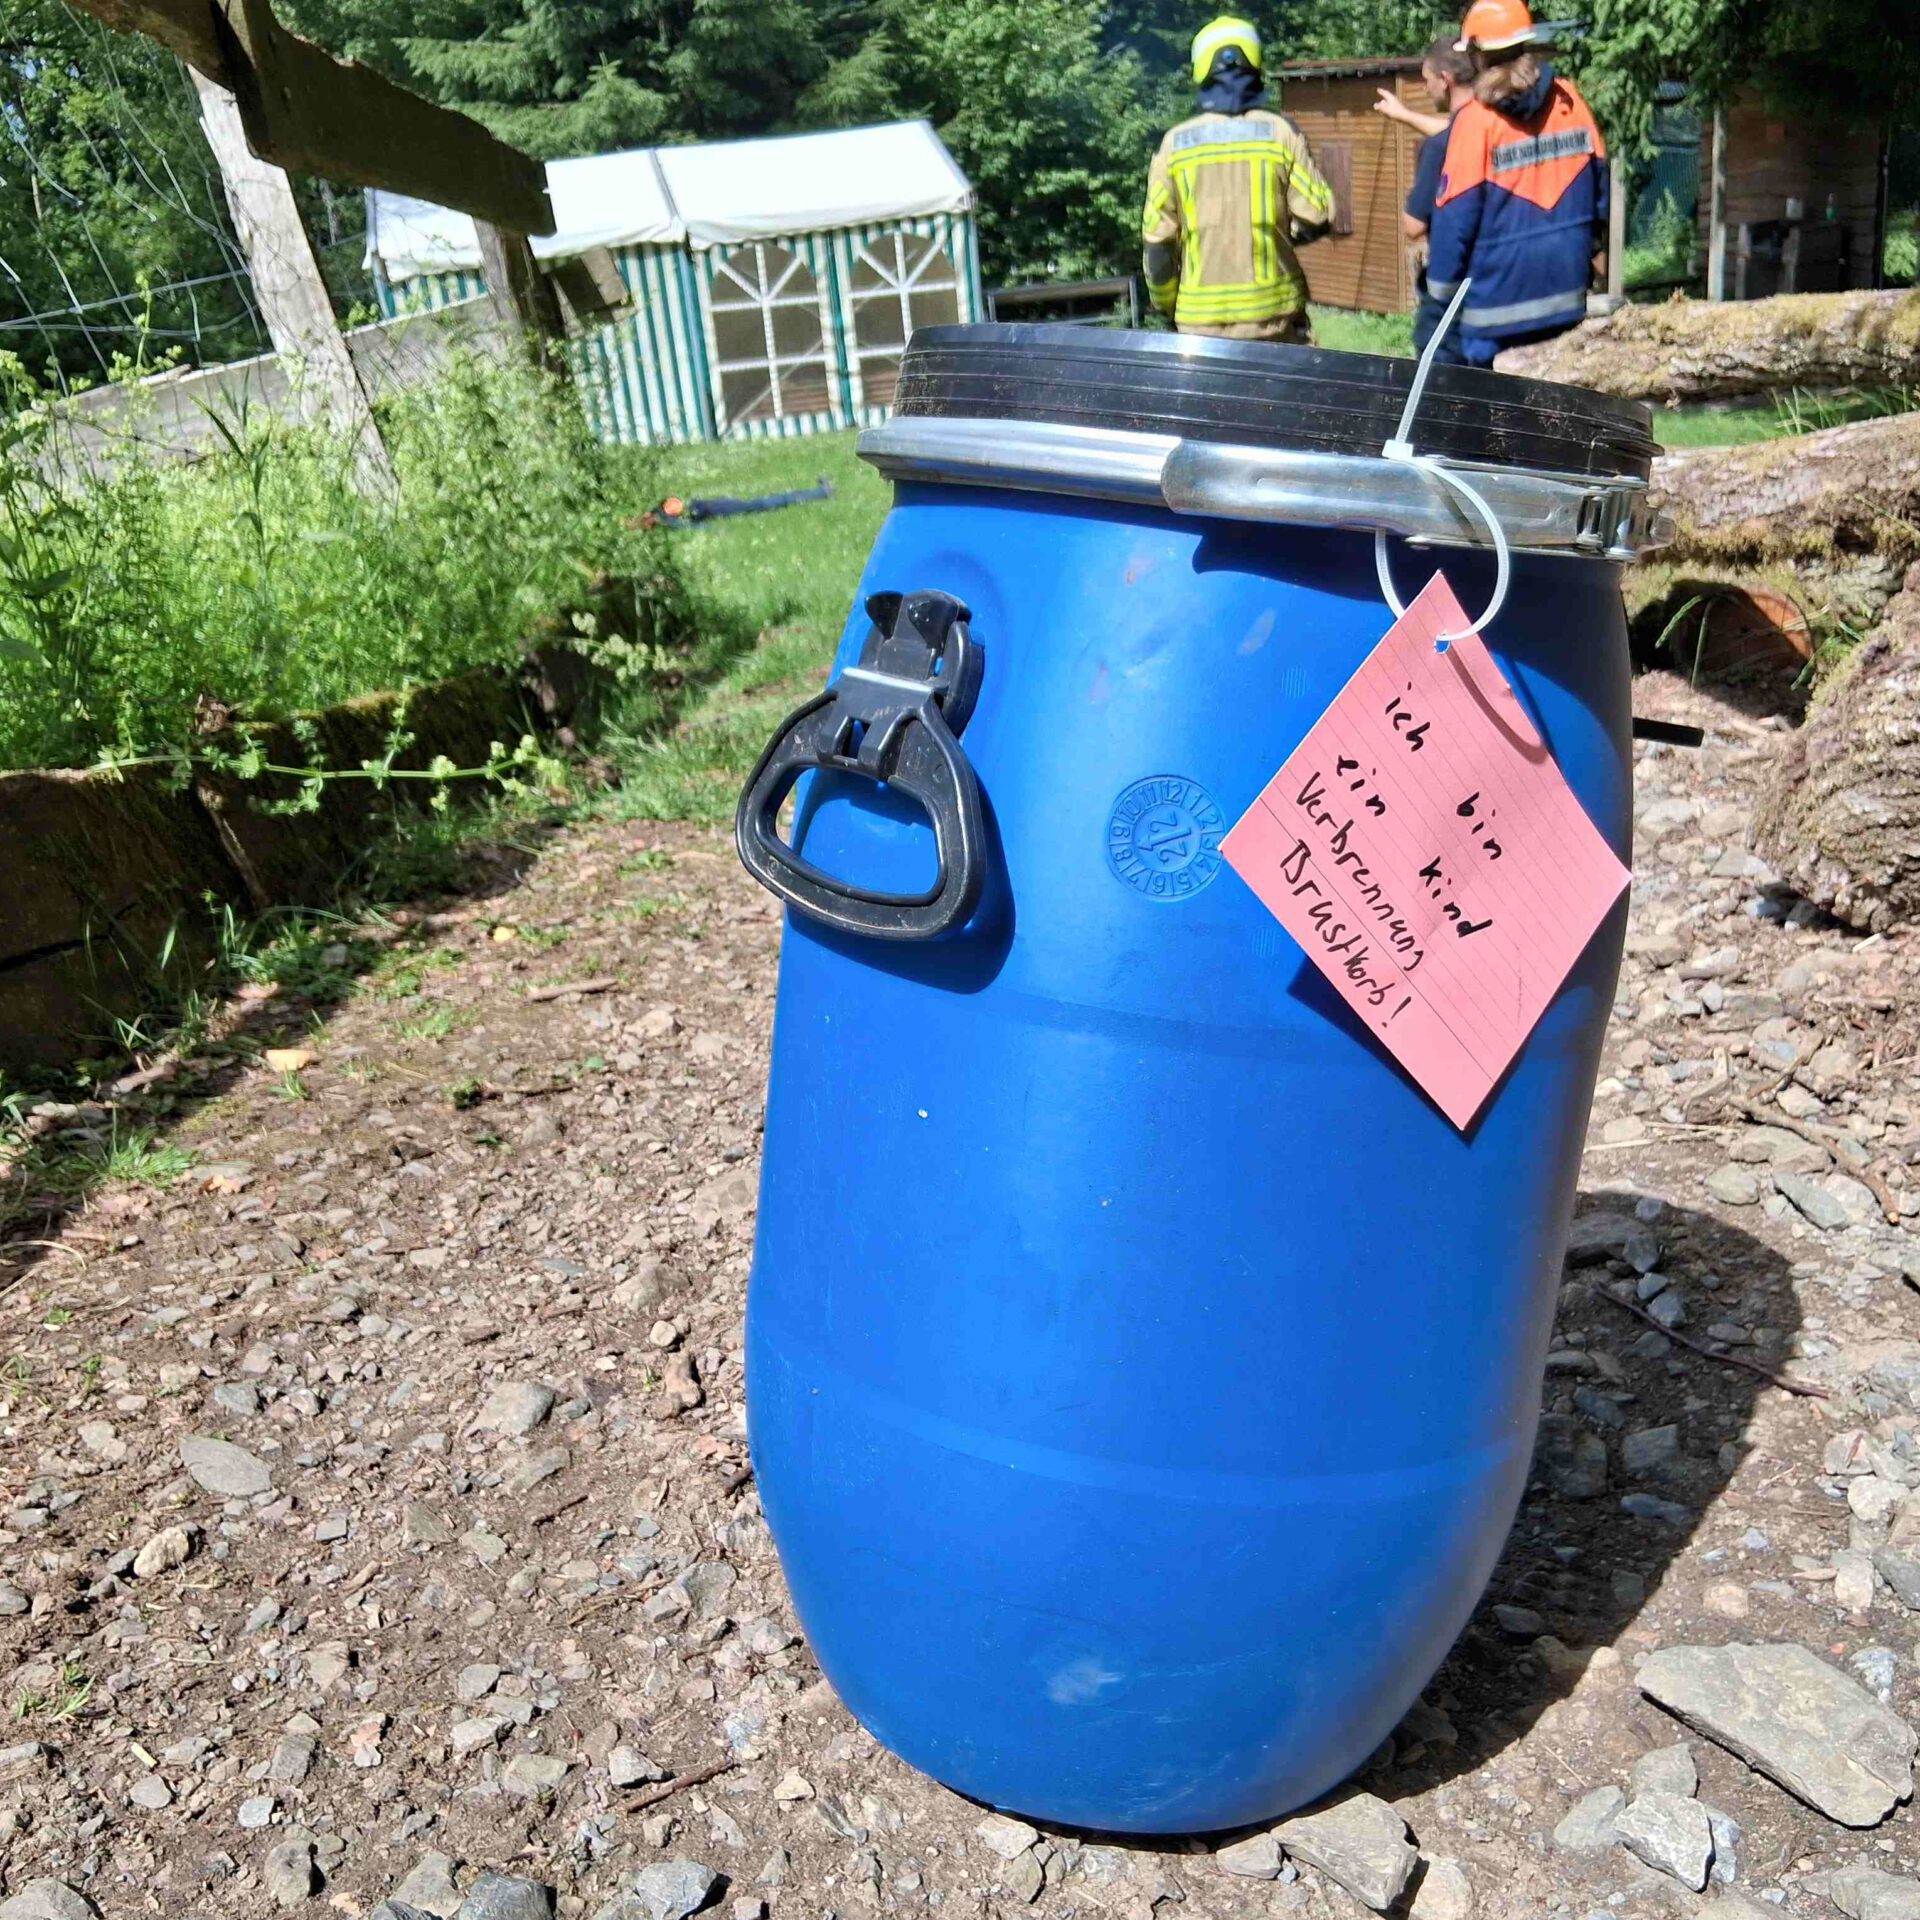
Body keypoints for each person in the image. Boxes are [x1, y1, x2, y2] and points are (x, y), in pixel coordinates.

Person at [1425, 0, 1607, 366]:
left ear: (1477, 55)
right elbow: (1601, 197)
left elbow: (1454, 222)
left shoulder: (1476, 121)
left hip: (1492, 317)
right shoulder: (1569, 101)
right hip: (1565, 301)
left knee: (1489, 401)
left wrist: (1438, 298)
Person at [1141, 16, 1336, 345]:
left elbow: (1158, 244)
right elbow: (1317, 215)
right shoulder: (1280, 134)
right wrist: (1277, 234)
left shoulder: (1174, 145)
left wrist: (1167, 304)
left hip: (1199, 328)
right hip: (1275, 323)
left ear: (1200, 68)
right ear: (1255, 63)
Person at [1374, 39, 1478, 360]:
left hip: (1454, 293)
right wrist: (1403, 115)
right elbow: (1455, 131)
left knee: (1438, 375)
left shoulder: (1439, 149)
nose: (1425, 87)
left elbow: (1414, 226)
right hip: (1500, 284)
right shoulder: (1495, 128)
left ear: (1445, 79)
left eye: (1427, 79)